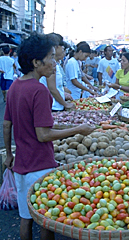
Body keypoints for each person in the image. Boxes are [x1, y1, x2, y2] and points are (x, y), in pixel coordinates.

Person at [3, 32, 96, 240]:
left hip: (20, 164)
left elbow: (6, 124)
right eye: (51, 57)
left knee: (25, 218)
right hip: (39, 165)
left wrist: (9, 154)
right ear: (37, 62)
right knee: (46, 220)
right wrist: (78, 129)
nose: (55, 63)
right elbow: (43, 135)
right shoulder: (39, 91)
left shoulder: (15, 86)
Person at [40, 33, 75, 111]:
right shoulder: (50, 64)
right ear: (56, 47)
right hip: (53, 106)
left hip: (56, 105)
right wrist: (65, 104)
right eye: (62, 46)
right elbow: (52, 88)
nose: (63, 49)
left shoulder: (55, 63)